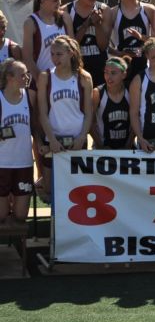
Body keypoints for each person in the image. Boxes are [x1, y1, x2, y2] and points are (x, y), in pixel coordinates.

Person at [36, 35, 93, 202]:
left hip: (77, 141)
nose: (55, 58)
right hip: (53, 142)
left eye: (59, 54)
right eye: (52, 54)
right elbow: (43, 113)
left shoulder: (83, 77)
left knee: (77, 189)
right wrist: (51, 140)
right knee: (50, 189)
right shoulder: (45, 76)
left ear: (70, 53)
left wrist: (82, 137)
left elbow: (89, 113)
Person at [0, 59, 37, 227]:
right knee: (1, 215)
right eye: (22, 75)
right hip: (2, 163)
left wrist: (41, 142)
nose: (27, 77)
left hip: (24, 163)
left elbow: (35, 125)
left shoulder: (29, 96)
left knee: (21, 215)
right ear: (9, 77)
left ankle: (15, 246)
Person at [105, 0, 155, 85]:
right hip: (121, 67)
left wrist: (141, 37)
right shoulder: (113, 12)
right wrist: (118, 53)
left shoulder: (148, 9)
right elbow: (103, 44)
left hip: (144, 64)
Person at [22, 0, 74, 86]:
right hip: (42, 80)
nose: (59, 3)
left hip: (65, 79)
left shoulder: (65, 18)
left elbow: (74, 50)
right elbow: (27, 58)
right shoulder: (31, 22)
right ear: (42, 0)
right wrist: (41, 82)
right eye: (55, 0)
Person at [64, 0, 109, 86]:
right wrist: (86, 24)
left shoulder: (104, 10)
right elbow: (71, 46)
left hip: (100, 66)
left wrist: (97, 24)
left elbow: (103, 46)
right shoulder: (66, 11)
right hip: (77, 68)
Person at [91, 56, 133, 149]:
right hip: (102, 148)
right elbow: (89, 122)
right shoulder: (97, 93)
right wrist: (100, 146)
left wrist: (128, 145)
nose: (108, 77)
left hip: (127, 148)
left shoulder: (131, 91)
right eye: (106, 72)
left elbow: (136, 119)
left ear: (124, 75)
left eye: (113, 73)